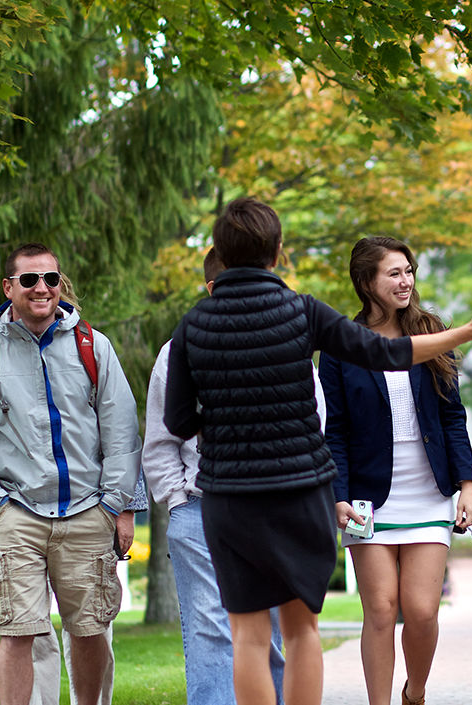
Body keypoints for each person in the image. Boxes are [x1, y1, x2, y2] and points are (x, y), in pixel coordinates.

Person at [162, 196, 472, 705]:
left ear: (220, 250)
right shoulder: (302, 311)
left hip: (228, 496)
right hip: (300, 491)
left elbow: (177, 421)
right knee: (302, 630)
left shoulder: (192, 327)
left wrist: (228, 422)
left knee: (246, 636)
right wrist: (468, 332)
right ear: (278, 251)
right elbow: (384, 353)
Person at [0, 243, 145, 705]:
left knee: (91, 627)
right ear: (8, 287)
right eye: (30, 279)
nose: (42, 288)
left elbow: (122, 431)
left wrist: (118, 506)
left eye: (51, 279)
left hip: (87, 511)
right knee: (16, 631)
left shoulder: (93, 347)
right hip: (16, 512)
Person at [322, 237, 472, 705]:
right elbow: (335, 430)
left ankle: (416, 689)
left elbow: (453, 415)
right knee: (381, 609)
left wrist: (468, 486)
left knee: (421, 609)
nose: (406, 280)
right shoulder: (340, 345)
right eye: (394, 273)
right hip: (368, 496)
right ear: (366, 281)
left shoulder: (433, 332)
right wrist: (338, 494)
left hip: (429, 490)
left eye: (409, 270)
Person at [144, 248, 292, 705]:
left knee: (269, 636)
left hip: (273, 510)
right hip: (201, 510)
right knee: (211, 636)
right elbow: (161, 439)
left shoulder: (287, 340)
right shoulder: (179, 351)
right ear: (212, 290)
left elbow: (315, 423)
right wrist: (179, 503)